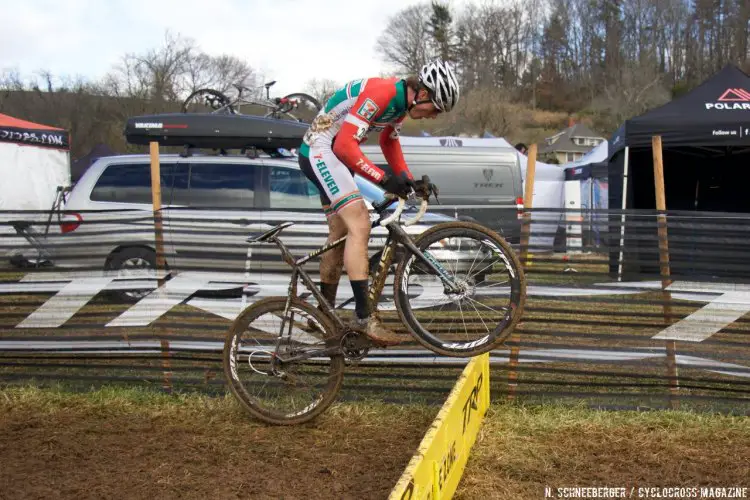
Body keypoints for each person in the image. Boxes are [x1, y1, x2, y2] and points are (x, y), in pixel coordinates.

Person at [298, 60, 460, 346]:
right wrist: (384, 180)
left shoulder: (399, 104)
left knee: (340, 233)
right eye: (436, 108)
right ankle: (364, 318)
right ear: (421, 94)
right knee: (360, 222)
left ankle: (322, 313)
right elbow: (344, 146)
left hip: (334, 153)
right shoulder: (383, 94)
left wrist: (408, 181)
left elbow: (389, 141)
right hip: (321, 150)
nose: (434, 116)